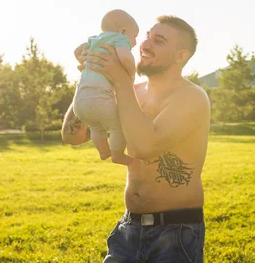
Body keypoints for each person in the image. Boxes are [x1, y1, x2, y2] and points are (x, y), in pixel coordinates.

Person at [62, 15, 210, 262]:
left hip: (176, 233)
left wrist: (119, 80)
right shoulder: (130, 93)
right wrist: (90, 78)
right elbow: (72, 135)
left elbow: (144, 147)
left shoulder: (192, 97)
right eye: (147, 37)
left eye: (158, 41)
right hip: (129, 229)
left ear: (180, 56)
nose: (145, 45)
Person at [72, 9, 139, 166]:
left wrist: (83, 59)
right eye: (134, 37)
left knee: (96, 127)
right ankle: (117, 155)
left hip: (79, 100)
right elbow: (124, 56)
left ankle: (103, 152)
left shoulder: (93, 39)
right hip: (100, 97)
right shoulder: (119, 38)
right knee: (117, 127)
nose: (135, 42)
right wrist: (131, 72)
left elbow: (76, 51)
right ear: (122, 31)